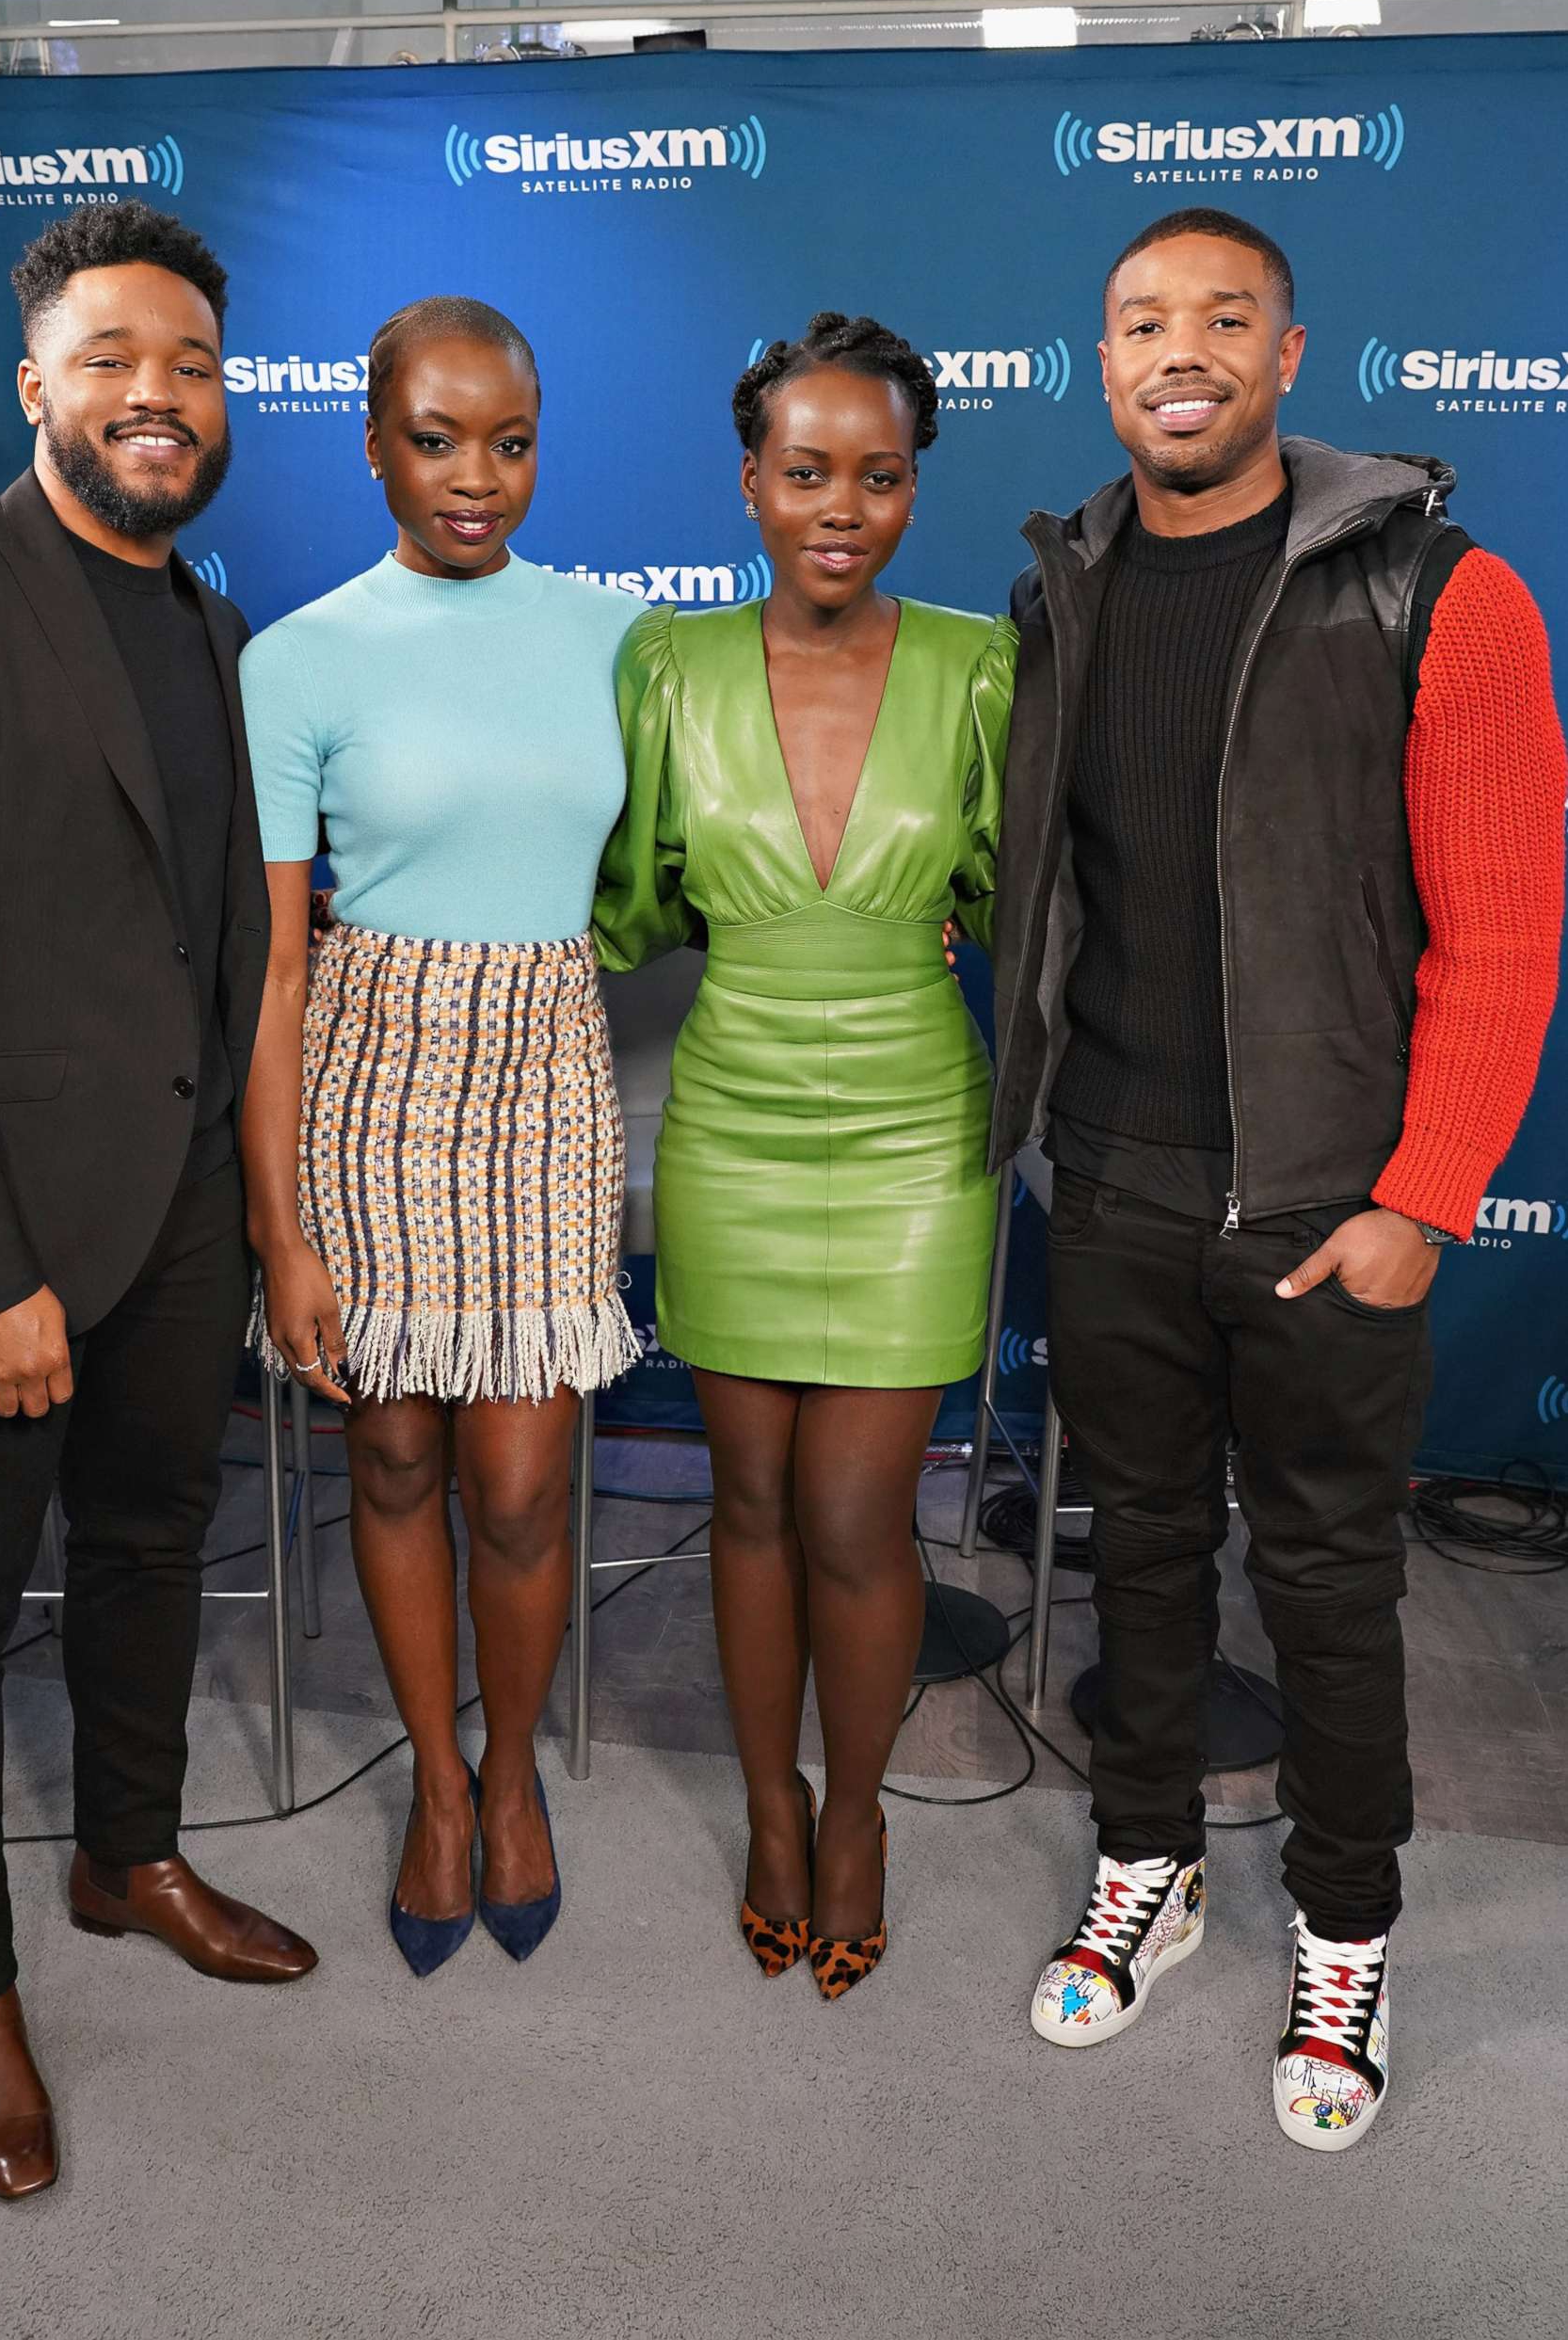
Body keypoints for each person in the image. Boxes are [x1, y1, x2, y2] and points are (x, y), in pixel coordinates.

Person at [989, 208, 1563, 2149]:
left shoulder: (1436, 591)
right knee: (1134, 1557)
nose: (1178, 350)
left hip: (1331, 1209)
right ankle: (1137, 1868)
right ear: (1100, 360)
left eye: (1220, 318)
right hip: (1116, 1183)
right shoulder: (1055, 592)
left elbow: (1497, 931)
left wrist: (1419, 1200)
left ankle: (1344, 1937)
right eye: (1139, 319)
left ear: (1286, 356)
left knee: (1324, 1586)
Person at [0, 202, 319, 2203]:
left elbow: (209, 946)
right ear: (34, 390)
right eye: (111, 358)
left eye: (185, 363)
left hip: (174, 1212)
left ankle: (128, 1854)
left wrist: (241, 1214)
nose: (154, 394)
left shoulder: (209, 624)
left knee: (147, 1553)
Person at [593, 314, 1016, 1999]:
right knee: (749, 1502)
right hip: (734, 1122)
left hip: (919, 1128)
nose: (842, 505)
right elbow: (634, 905)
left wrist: (909, 929)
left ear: (915, 485)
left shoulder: (986, 664)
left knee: (856, 1516)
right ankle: (773, 1813)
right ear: (752, 480)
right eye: (806, 470)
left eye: (882, 475)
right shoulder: (668, 666)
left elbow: (1018, 901)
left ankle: (860, 1817)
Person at [240, 297, 641, 1978]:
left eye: (512, 441)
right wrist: (282, 1237)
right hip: (369, 1077)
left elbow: (715, 848)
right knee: (394, 1457)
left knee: (526, 1480)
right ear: (372, 439)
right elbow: (270, 967)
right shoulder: (297, 657)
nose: (475, 477)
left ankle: (517, 1774)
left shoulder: (626, 636)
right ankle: (435, 1789)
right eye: (435, 438)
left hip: (547, 1070)